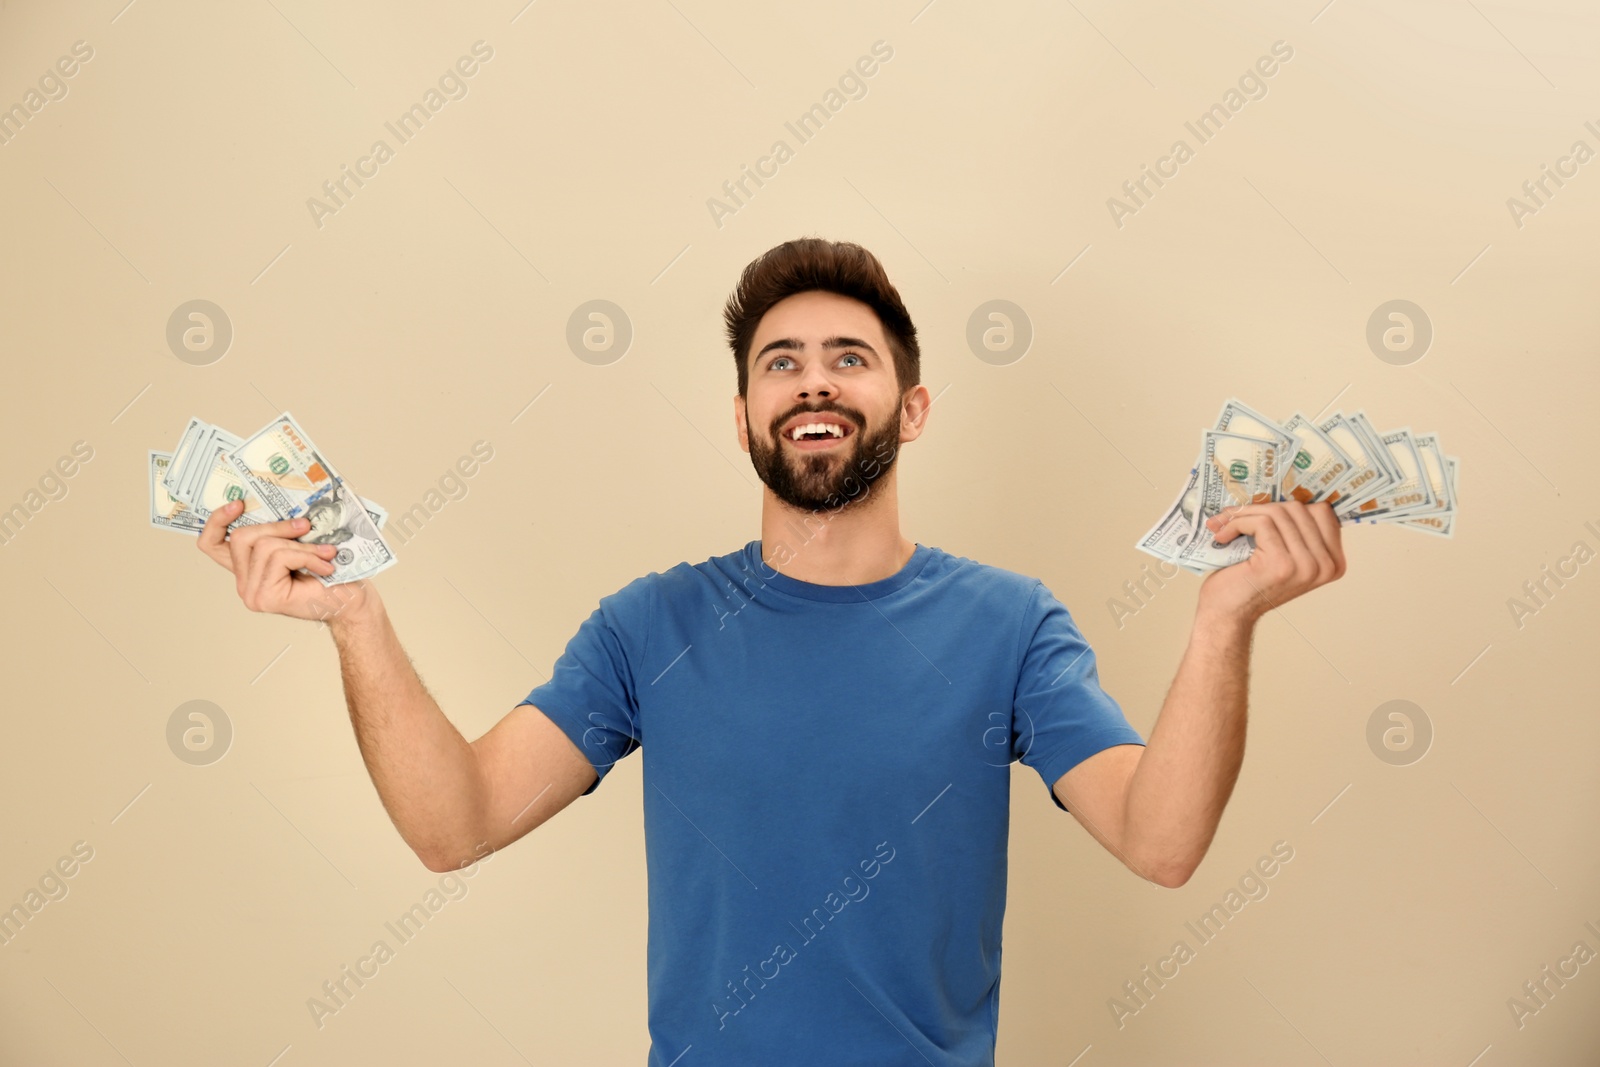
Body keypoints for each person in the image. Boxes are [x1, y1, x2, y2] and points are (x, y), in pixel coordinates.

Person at [198, 237, 1347, 1065]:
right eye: (780, 361)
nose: (813, 380)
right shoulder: (648, 626)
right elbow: (455, 823)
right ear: (744, 410)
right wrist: (356, 617)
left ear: (912, 406)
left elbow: (1160, 839)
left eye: (849, 357)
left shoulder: (1011, 624)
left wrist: (1222, 622)